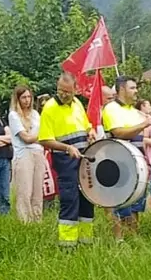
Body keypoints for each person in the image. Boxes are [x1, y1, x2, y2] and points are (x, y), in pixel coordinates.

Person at [37, 73, 98, 246]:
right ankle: (67, 244)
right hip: (65, 160)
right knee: (70, 200)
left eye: (67, 92)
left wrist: (90, 132)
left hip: (84, 157)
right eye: (60, 90)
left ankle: (86, 240)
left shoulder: (77, 103)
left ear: (76, 90)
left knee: (87, 198)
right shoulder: (49, 108)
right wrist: (67, 148)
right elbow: (44, 139)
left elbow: (86, 125)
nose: (63, 94)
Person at [102, 76, 151, 239]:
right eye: (132, 88)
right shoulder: (111, 109)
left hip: (137, 163)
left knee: (136, 205)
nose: (136, 91)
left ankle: (133, 237)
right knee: (121, 204)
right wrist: (143, 124)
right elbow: (118, 133)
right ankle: (119, 240)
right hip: (120, 162)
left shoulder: (134, 112)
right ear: (122, 90)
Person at [9, 85, 46, 223]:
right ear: (18, 99)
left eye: (29, 97)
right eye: (23, 97)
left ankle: (37, 219)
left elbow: (36, 136)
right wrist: (40, 135)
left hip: (37, 151)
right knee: (24, 190)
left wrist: (37, 136)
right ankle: (25, 221)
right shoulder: (14, 115)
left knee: (38, 190)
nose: (27, 100)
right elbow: (26, 138)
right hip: (23, 153)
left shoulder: (35, 114)